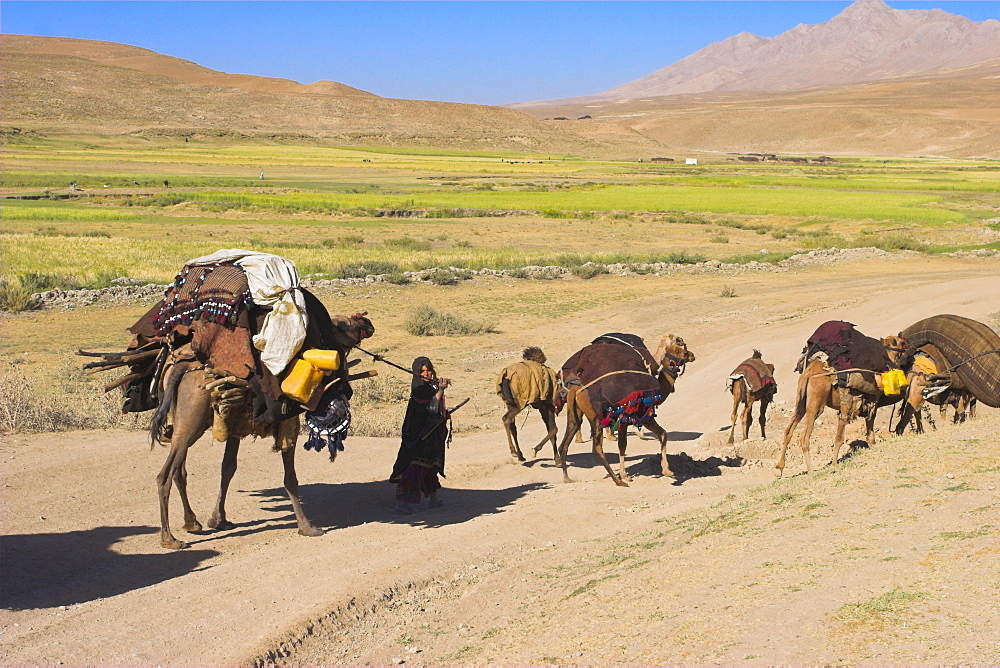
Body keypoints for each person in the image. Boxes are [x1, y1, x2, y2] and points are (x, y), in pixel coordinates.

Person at [390, 357, 450, 514]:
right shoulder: (419, 388)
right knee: (415, 466)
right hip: (418, 435)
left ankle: (434, 499)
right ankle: (402, 502)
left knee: (430, 466)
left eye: (428, 369)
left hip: (431, 434)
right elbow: (429, 406)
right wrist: (441, 391)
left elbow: (436, 408)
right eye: (422, 371)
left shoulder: (430, 385)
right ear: (417, 373)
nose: (426, 373)